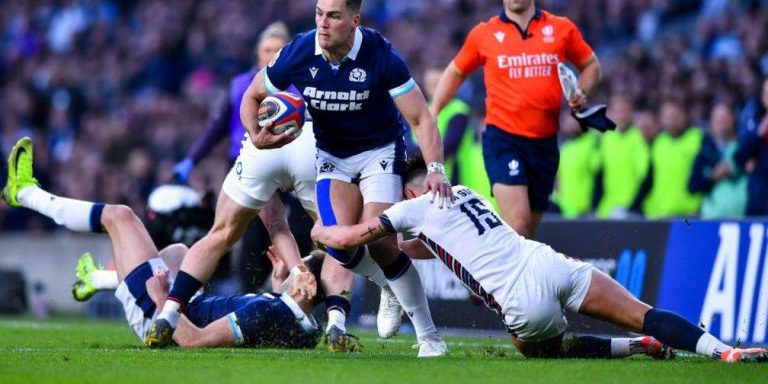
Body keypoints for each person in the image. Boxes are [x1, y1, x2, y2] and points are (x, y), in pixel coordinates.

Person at [154, 0, 451, 357]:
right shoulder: (300, 50)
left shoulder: (381, 54)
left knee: (381, 244)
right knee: (338, 242)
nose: (322, 24)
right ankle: (379, 295)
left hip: (379, 150)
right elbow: (253, 94)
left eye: (333, 16)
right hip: (330, 156)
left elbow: (421, 119)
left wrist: (435, 170)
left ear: (354, 20)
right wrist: (255, 135)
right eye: (318, 14)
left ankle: (429, 337)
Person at [311, 154, 768, 363]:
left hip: (520, 299)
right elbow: (437, 247)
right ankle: (726, 352)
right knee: (644, 314)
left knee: (533, 349)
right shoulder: (465, 193)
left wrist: (319, 228)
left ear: (409, 190)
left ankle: (628, 349)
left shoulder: (410, 207)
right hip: (549, 262)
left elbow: (353, 237)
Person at [1, 137, 322, 349]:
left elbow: (195, 341)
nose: (296, 269)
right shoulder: (309, 326)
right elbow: (283, 323)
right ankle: (98, 278)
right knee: (179, 253)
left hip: (164, 320)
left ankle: (26, 193)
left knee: (120, 217)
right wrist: (282, 285)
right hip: (192, 305)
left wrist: (160, 302)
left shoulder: (265, 313)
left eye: (301, 270)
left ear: (307, 288)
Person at [430, 0, 601, 237]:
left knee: (527, 233)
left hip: (545, 143)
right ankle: (496, 280)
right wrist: (433, 111)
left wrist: (582, 91)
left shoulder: (561, 29)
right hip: (503, 138)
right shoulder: (484, 34)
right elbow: (455, 72)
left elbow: (591, 65)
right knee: (518, 223)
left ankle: (501, 276)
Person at [171, 22, 315, 294]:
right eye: (267, 49)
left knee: (300, 228)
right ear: (257, 54)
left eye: (278, 49)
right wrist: (192, 159)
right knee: (252, 236)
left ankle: (299, 294)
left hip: (291, 167)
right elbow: (216, 126)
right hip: (250, 164)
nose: (272, 54)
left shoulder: (301, 84)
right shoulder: (240, 86)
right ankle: (247, 294)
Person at [631, 100, 702, 218]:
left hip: (691, 212)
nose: (672, 121)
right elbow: (650, 179)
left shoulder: (698, 139)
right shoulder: (658, 143)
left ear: (684, 116)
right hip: (663, 212)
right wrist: (634, 206)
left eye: (675, 116)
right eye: (668, 117)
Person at [594, 94, 650, 219]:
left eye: (625, 110)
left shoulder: (639, 138)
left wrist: (635, 206)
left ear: (631, 113)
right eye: (618, 110)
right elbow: (600, 174)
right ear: (611, 113)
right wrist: (595, 206)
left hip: (629, 208)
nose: (621, 115)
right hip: (607, 207)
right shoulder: (607, 138)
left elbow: (645, 176)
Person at [688, 102, 747, 218]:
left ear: (733, 120)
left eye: (725, 118)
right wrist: (713, 177)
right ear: (711, 123)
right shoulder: (704, 153)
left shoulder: (746, 148)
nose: (722, 123)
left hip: (745, 218)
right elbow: (693, 186)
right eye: (718, 119)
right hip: (712, 218)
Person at [734, 77, 768, 216]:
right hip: (760, 199)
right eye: (766, 94)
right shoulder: (753, 124)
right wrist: (759, 133)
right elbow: (739, 158)